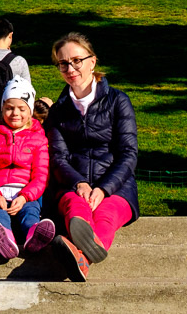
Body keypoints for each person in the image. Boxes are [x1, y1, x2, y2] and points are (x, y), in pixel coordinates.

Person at [47, 33, 139, 282]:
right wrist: (80, 183)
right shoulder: (58, 111)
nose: (70, 68)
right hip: (72, 186)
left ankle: (79, 255)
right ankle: (82, 258)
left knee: (106, 215)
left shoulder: (118, 101)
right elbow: (58, 157)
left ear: (93, 62)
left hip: (117, 188)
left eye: (77, 60)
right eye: (63, 63)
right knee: (76, 207)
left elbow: (128, 153)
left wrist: (104, 189)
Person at [0, 78, 55, 259]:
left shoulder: (39, 139)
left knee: (30, 213)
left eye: (21, 108)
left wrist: (25, 196)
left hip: (26, 195)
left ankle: (34, 235)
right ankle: (3, 237)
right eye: (9, 108)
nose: (15, 113)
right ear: (2, 109)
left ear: (31, 110)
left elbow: (41, 175)